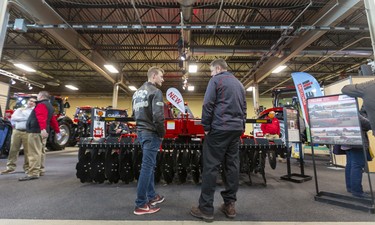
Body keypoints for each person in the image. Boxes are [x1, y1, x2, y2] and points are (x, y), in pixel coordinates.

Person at [190, 58, 247, 222]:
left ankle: (206, 209)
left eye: (211, 71)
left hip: (219, 129)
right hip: (236, 130)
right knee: (232, 166)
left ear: (218, 68)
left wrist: (206, 126)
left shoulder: (216, 80)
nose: (211, 74)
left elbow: (208, 104)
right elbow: (243, 107)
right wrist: (241, 126)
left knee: (211, 167)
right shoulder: (239, 84)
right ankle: (230, 206)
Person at [132, 66, 166, 215]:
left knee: (149, 165)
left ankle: (151, 196)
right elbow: (158, 117)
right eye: (161, 76)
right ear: (153, 76)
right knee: (147, 167)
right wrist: (162, 133)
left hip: (141, 132)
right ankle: (140, 204)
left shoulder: (136, 93)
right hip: (151, 133)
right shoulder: (156, 92)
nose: (162, 79)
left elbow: (134, 114)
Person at [19, 91, 60, 181]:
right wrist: (57, 131)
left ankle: (33, 173)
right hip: (42, 132)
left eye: (37, 95)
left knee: (33, 152)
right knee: (40, 151)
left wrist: (42, 129)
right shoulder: (50, 106)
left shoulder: (41, 105)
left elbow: (41, 117)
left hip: (35, 131)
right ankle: (40, 170)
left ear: (41, 96)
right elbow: (52, 120)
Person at [342, 107, 372, 198]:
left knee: (350, 165)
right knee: (357, 165)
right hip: (356, 142)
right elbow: (367, 124)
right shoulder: (353, 110)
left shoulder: (343, 110)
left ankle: (351, 187)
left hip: (346, 141)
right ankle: (357, 191)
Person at [0, 97, 36, 175]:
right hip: (16, 131)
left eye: (33, 102)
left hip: (27, 132)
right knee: (13, 150)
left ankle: (27, 168)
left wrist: (20, 118)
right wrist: (24, 118)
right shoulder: (20, 109)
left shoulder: (34, 111)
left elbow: (30, 119)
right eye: (30, 101)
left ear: (35, 103)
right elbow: (13, 117)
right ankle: (10, 168)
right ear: (28, 101)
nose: (31, 102)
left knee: (27, 152)